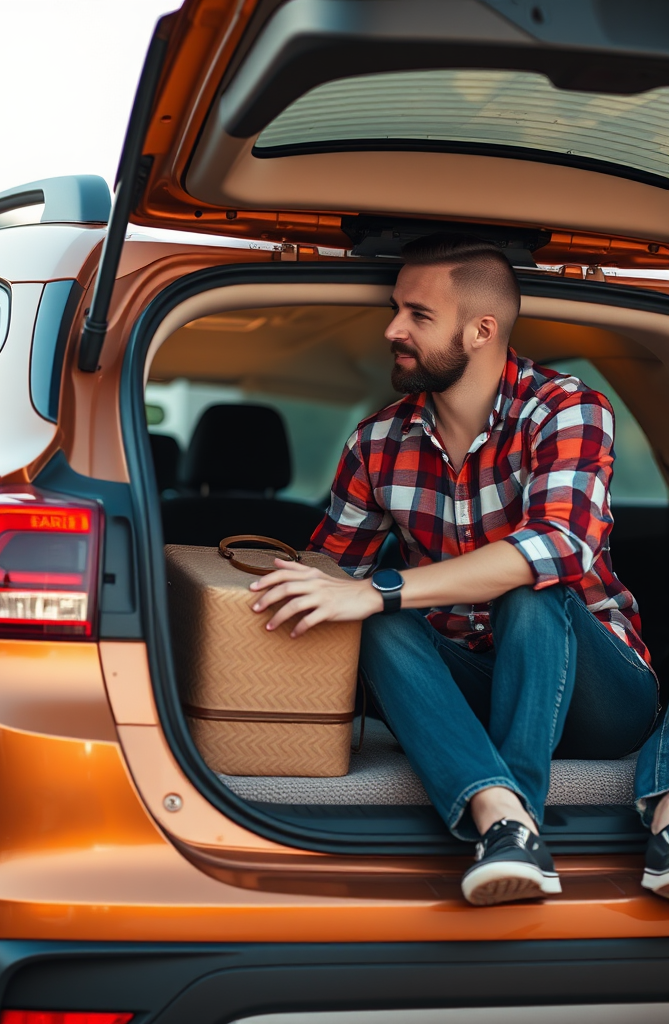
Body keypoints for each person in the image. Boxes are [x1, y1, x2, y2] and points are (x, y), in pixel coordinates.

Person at [249, 233, 669, 907]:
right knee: (376, 628)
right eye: (396, 309)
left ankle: (520, 814)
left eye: (417, 314)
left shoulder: (566, 408)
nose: (392, 328)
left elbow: (557, 546)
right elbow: (330, 576)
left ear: (482, 330)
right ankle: (503, 822)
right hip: (467, 688)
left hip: (597, 693)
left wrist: (380, 590)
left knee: (529, 593)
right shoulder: (376, 444)